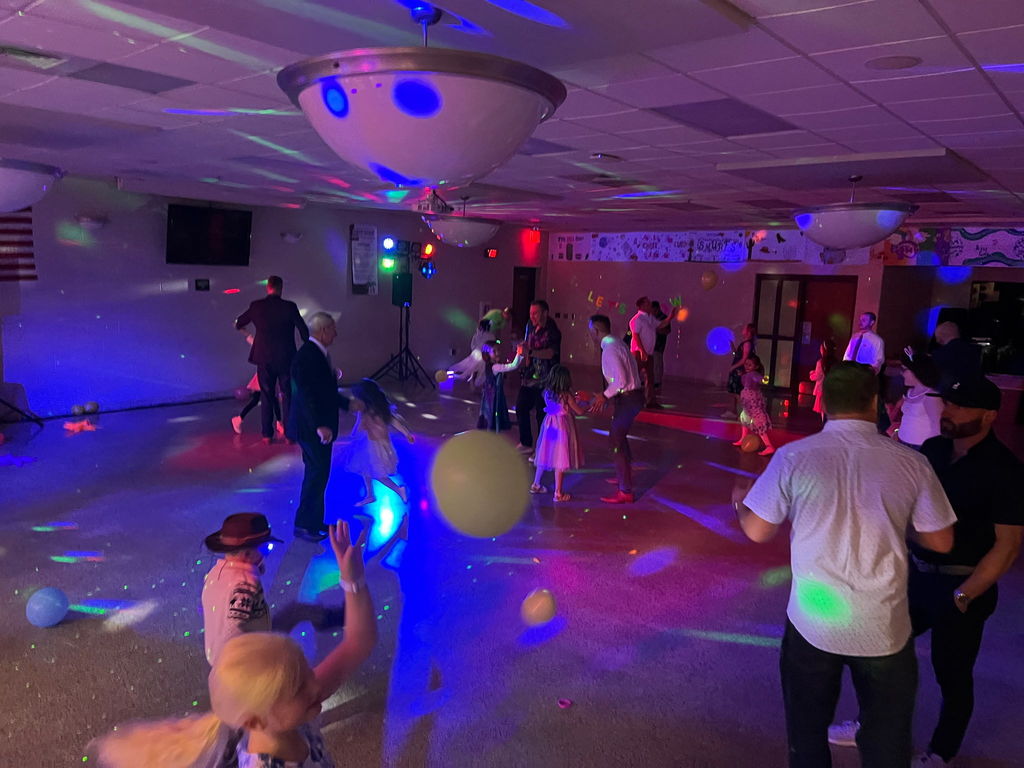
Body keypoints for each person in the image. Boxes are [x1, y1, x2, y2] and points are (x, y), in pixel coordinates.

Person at [734, 361, 956, 768]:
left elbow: (758, 531)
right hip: (884, 625)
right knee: (888, 741)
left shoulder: (793, 458)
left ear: (825, 403)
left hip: (813, 622)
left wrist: (739, 502)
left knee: (807, 734)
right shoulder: (911, 462)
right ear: (875, 402)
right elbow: (942, 540)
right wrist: (897, 519)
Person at [830, 376, 1023, 767]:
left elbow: (1007, 546)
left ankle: (941, 752)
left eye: (959, 406)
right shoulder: (934, 450)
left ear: (989, 416)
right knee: (880, 656)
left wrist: (963, 597)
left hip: (965, 582)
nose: (947, 412)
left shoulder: (1006, 470)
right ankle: (869, 724)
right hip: (917, 577)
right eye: (947, 404)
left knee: (951, 674)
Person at [93, 522, 374, 768]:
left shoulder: (288, 715)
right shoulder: (288, 724)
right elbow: (231, 624)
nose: (316, 687)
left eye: (306, 674)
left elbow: (358, 642)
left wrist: (353, 580)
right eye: (299, 688)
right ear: (254, 721)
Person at [287, 312, 351, 542]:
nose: (336, 333)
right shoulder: (308, 356)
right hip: (312, 428)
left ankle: (313, 522)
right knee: (316, 474)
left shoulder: (318, 354)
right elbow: (306, 395)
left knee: (318, 474)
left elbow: (323, 391)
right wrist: (319, 425)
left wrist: (348, 403)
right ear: (323, 331)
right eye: (333, 328)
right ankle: (304, 525)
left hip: (315, 427)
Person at [235, 276, 309, 444]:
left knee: (267, 396)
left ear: (267, 287)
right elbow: (303, 330)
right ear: (281, 288)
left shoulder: (256, 306)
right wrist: (308, 347)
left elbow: (239, 322)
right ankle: (290, 435)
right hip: (286, 357)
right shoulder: (290, 307)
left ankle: (267, 435)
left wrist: (247, 334)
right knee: (288, 395)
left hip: (263, 358)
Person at [201, 513, 280, 666]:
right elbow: (234, 627)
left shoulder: (215, 572)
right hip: (241, 662)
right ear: (247, 553)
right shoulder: (246, 585)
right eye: (266, 548)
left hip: (214, 650)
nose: (267, 554)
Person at [588, 314, 644, 505]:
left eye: (590, 331)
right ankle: (624, 477)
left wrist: (604, 396)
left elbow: (620, 381)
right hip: (630, 398)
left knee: (615, 439)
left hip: (628, 399)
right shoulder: (617, 343)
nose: (590, 335)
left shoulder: (610, 350)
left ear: (595, 330)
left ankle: (625, 490)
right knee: (619, 437)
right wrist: (606, 394)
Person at [343, 379, 414, 507]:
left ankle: (399, 489)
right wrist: (353, 437)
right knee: (365, 469)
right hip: (368, 444)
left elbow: (393, 421)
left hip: (378, 446)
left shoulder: (380, 409)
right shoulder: (364, 410)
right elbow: (359, 424)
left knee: (377, 473)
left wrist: (406, 433)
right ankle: (370, 495)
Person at [530, 365, 585, 502]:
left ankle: (536, 484)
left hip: (549, 425)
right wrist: (586, 403)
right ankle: (558, 493)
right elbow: (579, 411)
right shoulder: (566, 395)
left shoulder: (548, 392)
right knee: (560, 457)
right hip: (561, 426)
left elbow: (556, 406)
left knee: (545, 453)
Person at [515, 300, 561, 453]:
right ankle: (526, 443)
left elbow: (550, 353)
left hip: (546, 378)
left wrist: (530, 353)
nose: (532, 316)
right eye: (530, 313)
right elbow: (527, 344)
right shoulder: (530, 325)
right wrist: (523, 351)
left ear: (545, 313)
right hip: (530, 376)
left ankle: (543, 449)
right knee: (521, 406)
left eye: (535, 313)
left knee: (542, 414)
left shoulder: (552, 330)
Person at [844, 311, 888, 433]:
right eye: (860, 319)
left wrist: (871, 372)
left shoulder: (877, 340)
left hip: (864, 376)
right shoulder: (854, 337)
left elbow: (878, 360)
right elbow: (847, 355)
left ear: (872, 322)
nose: (860, 322)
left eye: (864, 320)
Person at [233, 333, 283, 437]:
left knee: (271, 400)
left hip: (270, 376)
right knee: (262, 400)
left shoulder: (275, 346)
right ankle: (239, 419)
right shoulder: (262, 344)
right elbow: (251, 339)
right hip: (263, 376)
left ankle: (279, 423)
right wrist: (243, 330)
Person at [892, 353, 942, 449]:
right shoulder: (910, 392)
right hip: (902, 443)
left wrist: (931, 449)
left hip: (920, 447)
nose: (901, 373)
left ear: (917, 371)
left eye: (904, 369)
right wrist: (898, 432)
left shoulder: (931, 395)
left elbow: (937, 428)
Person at [628, 296, 670, 409]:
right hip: (638, 352)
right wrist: (642, 351)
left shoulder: (650, 318)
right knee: (634, 377)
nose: (650, 305)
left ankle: (650, 401)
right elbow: (635, 335)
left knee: (650, 379)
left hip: (649, 353)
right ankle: (629, 400)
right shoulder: (637, 319)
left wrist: (671, 317)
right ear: (641, 305)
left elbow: (661, 324)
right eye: (647, 303)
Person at [732, 355, 775, 455]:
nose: (747, 366)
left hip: (753, 402)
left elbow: (760, 379)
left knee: (758, 422)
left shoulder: (753, 374)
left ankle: (769, 446)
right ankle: (743, 438)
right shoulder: (746, 375)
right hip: (748, 403)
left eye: (750, 365)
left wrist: (764, 379)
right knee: (743, 418)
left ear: (755, 367)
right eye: (746, 364)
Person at [477, 342, 522, 432]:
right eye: (494, 351)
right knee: (494, 408)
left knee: (491, 408)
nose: (498, 353)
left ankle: (492, 423)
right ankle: (494, 424)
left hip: (489, 392)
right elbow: (513, 366)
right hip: (494, 393)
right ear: (487, 354)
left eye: (498, 350)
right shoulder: (495, 367)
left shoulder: (490, 365)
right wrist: (519, 354)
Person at [927, 321, 982, 389]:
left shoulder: (939, 354)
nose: (937, 341)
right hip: (975, 391)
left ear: (940, 337)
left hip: (952, 393)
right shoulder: (976, 350)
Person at [449, 319, 496, 387]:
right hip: (480, 355)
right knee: (474, 368)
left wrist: (478, 350)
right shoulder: (487, 336)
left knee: (471, 367)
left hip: (480, 355)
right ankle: (474, 382)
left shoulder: (484, 335)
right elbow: (488, 345)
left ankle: (455, 372)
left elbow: (474, 345)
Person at [726, 323, 757, 418]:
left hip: (739, 370)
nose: (742, 330)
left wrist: (734, 367)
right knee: (733, 391)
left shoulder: (747, 344)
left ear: (748, 332)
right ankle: (733, 411)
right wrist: (733, 348)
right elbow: (737, 355)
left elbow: (744, 359)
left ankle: (746, 412)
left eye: (744, 329)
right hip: (737, 369)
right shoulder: (744, 343)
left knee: (737, 391)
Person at [808, 339, 836, 423]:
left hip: (822, 389)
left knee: (822, 410)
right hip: (831, 389)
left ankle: (824, 425)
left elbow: (817, 376)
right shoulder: (835, 361)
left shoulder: (821, 362)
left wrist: (811, 374)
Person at [651, 300, 671, 391]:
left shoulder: (663, 318)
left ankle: (657, 381)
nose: (652, 312)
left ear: (658, 308)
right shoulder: (651, 317)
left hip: (658, 345)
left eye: (654, 310)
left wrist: (656, 330)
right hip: (650, 345)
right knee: (652, 363)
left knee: (657, 363)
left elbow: (667, 331)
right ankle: (652, 380)